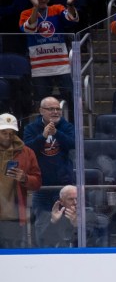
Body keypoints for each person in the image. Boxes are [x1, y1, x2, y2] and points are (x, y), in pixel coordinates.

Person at [19, 0, 78, 106]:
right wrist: (35, 8)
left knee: (70, 99)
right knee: (43, 104)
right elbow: (29, 29)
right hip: (40, 68)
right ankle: (45, 126)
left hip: (61, 66)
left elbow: (71, 19)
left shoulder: (56, 9)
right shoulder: (25, 13)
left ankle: (72, 124)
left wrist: (69, 5)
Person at [23, 96, 74, 228]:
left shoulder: (66, 126)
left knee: (65, 223)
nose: (56, 112)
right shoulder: (31, 128)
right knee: (42, 224)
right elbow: (27, 150)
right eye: (51, 109)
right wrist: (43, 136)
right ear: (41, 111)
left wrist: (56, 133)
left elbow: (73, 144)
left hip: (63, 185)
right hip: (41, 186)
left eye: (58, 109)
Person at [0, 112, 41, 248]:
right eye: (4, 132)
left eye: (11, 133)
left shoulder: (27, 152)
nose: (8, 136)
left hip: (14, 217)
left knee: (13, 257)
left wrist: (25, 178)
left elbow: (37, 182)